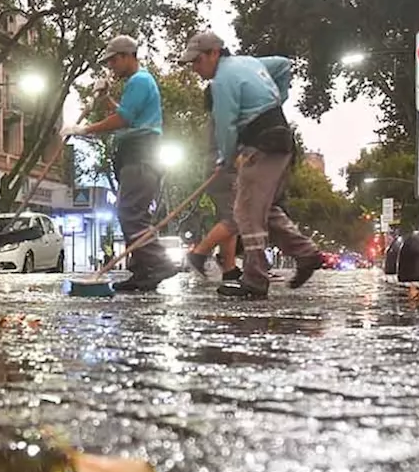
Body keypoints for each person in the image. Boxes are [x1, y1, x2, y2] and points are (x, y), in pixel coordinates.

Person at [180, 31, 322, 298]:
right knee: (262, 208)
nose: (196, 69)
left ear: (214, 54)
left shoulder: (221, 81)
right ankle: (306, 254)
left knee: (245, 212)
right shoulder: (250, 62)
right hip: (279, 138)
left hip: (261, 143)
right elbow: (283, 65)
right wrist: (278, 98)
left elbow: (226, 126)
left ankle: (255, 280)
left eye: (197, 61)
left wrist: (225, 158)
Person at [61, 35, 173, 292]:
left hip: (141, 157)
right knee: (135, 214)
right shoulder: (139, 83)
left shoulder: (140, 80)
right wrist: (105, 100)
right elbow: (128, 114)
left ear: (126, 56)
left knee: (129, 214)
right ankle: (143, 272)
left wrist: (84, 129)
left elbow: (123, 120)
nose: (111, 66)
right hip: (138, 157)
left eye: (113, 61)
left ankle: (158, 261)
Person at [187, 85, 241, 282]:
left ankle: (229, 268)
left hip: (216, 168)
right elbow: (230, 142)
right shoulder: (224, 116)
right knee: (236, 219)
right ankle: (199, 253)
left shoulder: (216, 117)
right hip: (223, 169)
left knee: (228, 219)